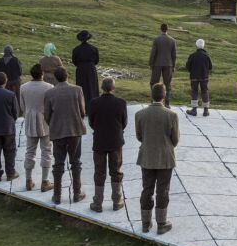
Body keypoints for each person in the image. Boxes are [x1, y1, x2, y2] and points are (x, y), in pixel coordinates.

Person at [135, 83, 179, 235]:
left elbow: (139, 136)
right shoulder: (171, 115)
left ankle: (145, 224)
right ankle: (161, 224)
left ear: (151, 95)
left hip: (147, 156)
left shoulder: (140, 114)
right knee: (163, 190)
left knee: (147, 189)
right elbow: (175, 139)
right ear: (164, 95)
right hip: (165, 157)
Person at [44, 66, 87, 204]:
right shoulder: (77, 90)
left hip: (58, 132)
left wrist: (55, 124)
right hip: (74, 130)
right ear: (67, 76)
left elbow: (47, 115)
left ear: (55, 78)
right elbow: (82, 111)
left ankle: (57, 195)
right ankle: (77, 192)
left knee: (58, 163)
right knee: (76, 162)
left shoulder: (50, 93)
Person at [88, 77, 128, 212]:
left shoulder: (94, 103)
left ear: (102, 88)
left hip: (99, 140)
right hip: (115, 141)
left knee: (99, 172)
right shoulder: (121, 103)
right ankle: (117, 200)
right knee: (116, 171)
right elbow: (124, 123)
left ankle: (98, 202)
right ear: (113, 88)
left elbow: (91, 122)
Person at [19, 64, 54, 192]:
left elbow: (22, 106)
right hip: (45, 121)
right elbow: (51, 106)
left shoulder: (23, 87)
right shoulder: (49, 87)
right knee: (46, 151)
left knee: (30, 151)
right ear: (42, 74)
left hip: (29, 120)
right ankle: (45, 181)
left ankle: (28, 179)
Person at [149, 23, 177, 108]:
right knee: (167, 84)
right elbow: (174, 55)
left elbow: (153, 53)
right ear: (167, 30)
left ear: (161, 29)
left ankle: (153, 101)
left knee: (154, 83)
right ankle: (167, 104)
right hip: (168, 64)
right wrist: (173, 66)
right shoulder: (172, 40)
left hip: (157, 64)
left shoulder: (156, 39)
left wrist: (151, 63)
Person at [72, 30, 100, 113]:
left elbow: (74, 61)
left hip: (80, 69)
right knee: (92, 87)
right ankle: (93, 107)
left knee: (82, 88)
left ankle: (82, 107)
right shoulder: (94, 49)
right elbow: (96, 61)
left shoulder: (76, 49)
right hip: (91, 69)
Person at [185, 39, 212, 117]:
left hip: (194, 76)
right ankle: (206, 110)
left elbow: (187, 66)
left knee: (194, 91)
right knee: (205, 91)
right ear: (203, 46)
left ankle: (194, 110)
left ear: (196, 46)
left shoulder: (192, 55)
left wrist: (191, 71)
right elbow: (210, 67)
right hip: (204, 77)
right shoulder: (207, 56)